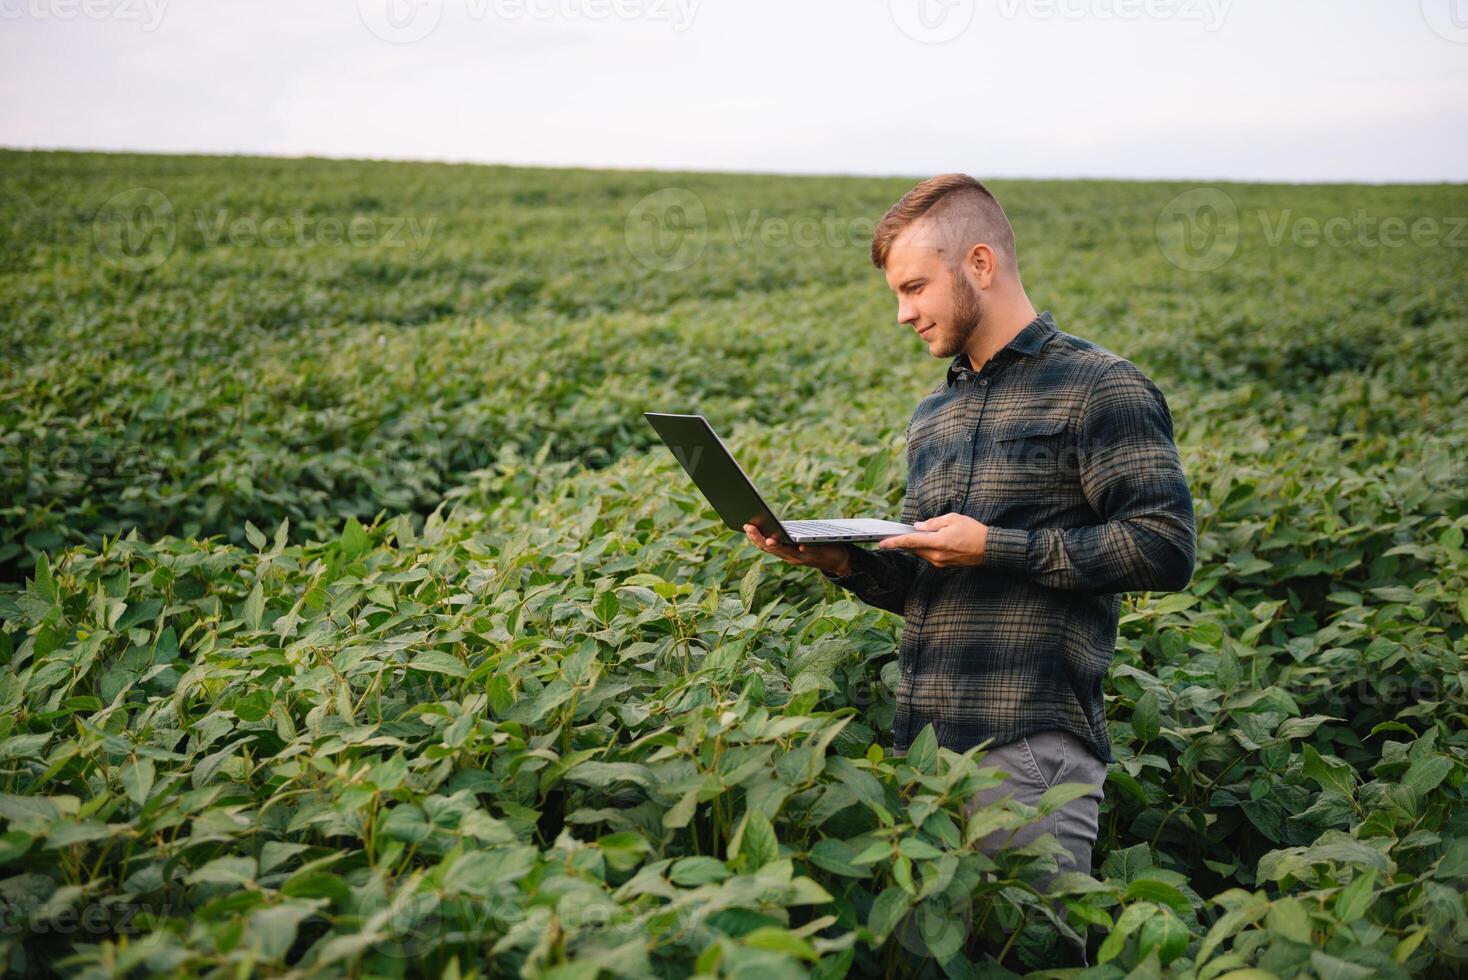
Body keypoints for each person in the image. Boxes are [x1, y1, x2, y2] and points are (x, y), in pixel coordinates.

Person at [744, 173, 1197, 968]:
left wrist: (998, 545)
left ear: (980, 263)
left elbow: (1164, 546)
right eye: (896, 291)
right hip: (924, 753)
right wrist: (840, 561)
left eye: (915, 286)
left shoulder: (1100, 387)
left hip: (1029, 746)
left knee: (1029, 961)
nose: (903, 312)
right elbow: (933, 588)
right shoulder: (935, 417)